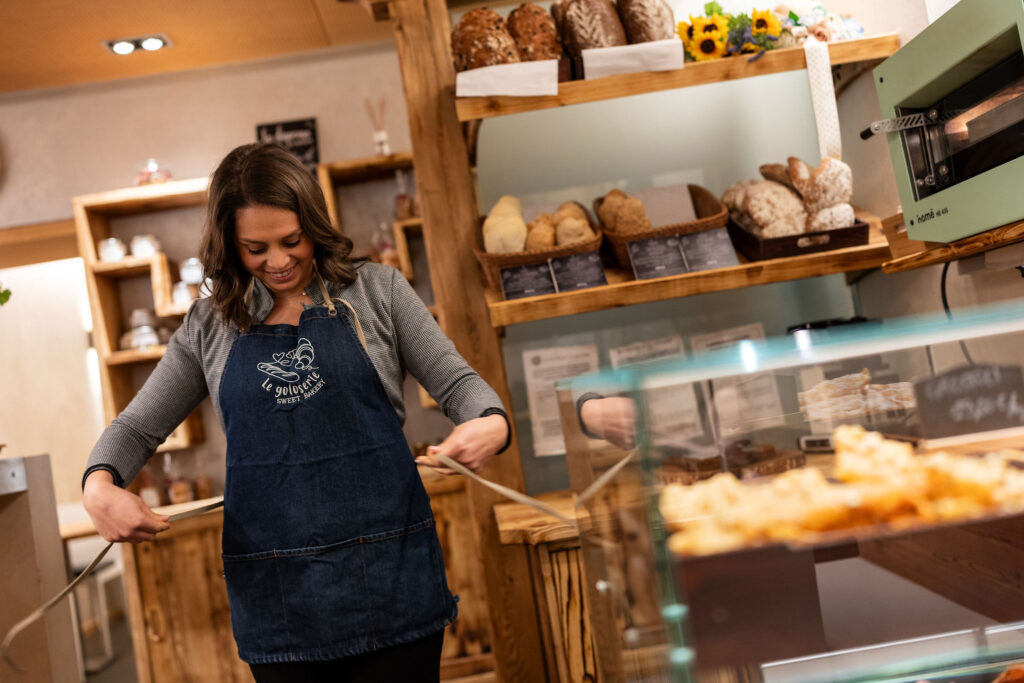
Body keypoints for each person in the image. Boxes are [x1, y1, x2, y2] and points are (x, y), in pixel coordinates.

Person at [81, 142, 510, 682]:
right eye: (255, 248)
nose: (279, 261)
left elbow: (459, 383)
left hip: (390, 574)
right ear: (228, 245)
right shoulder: (209, 326)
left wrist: (490, 422)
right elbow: (137, 427)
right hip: (278, 594)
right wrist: (98, 484)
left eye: (292, 240)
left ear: (314, 224)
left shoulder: (378, 293)